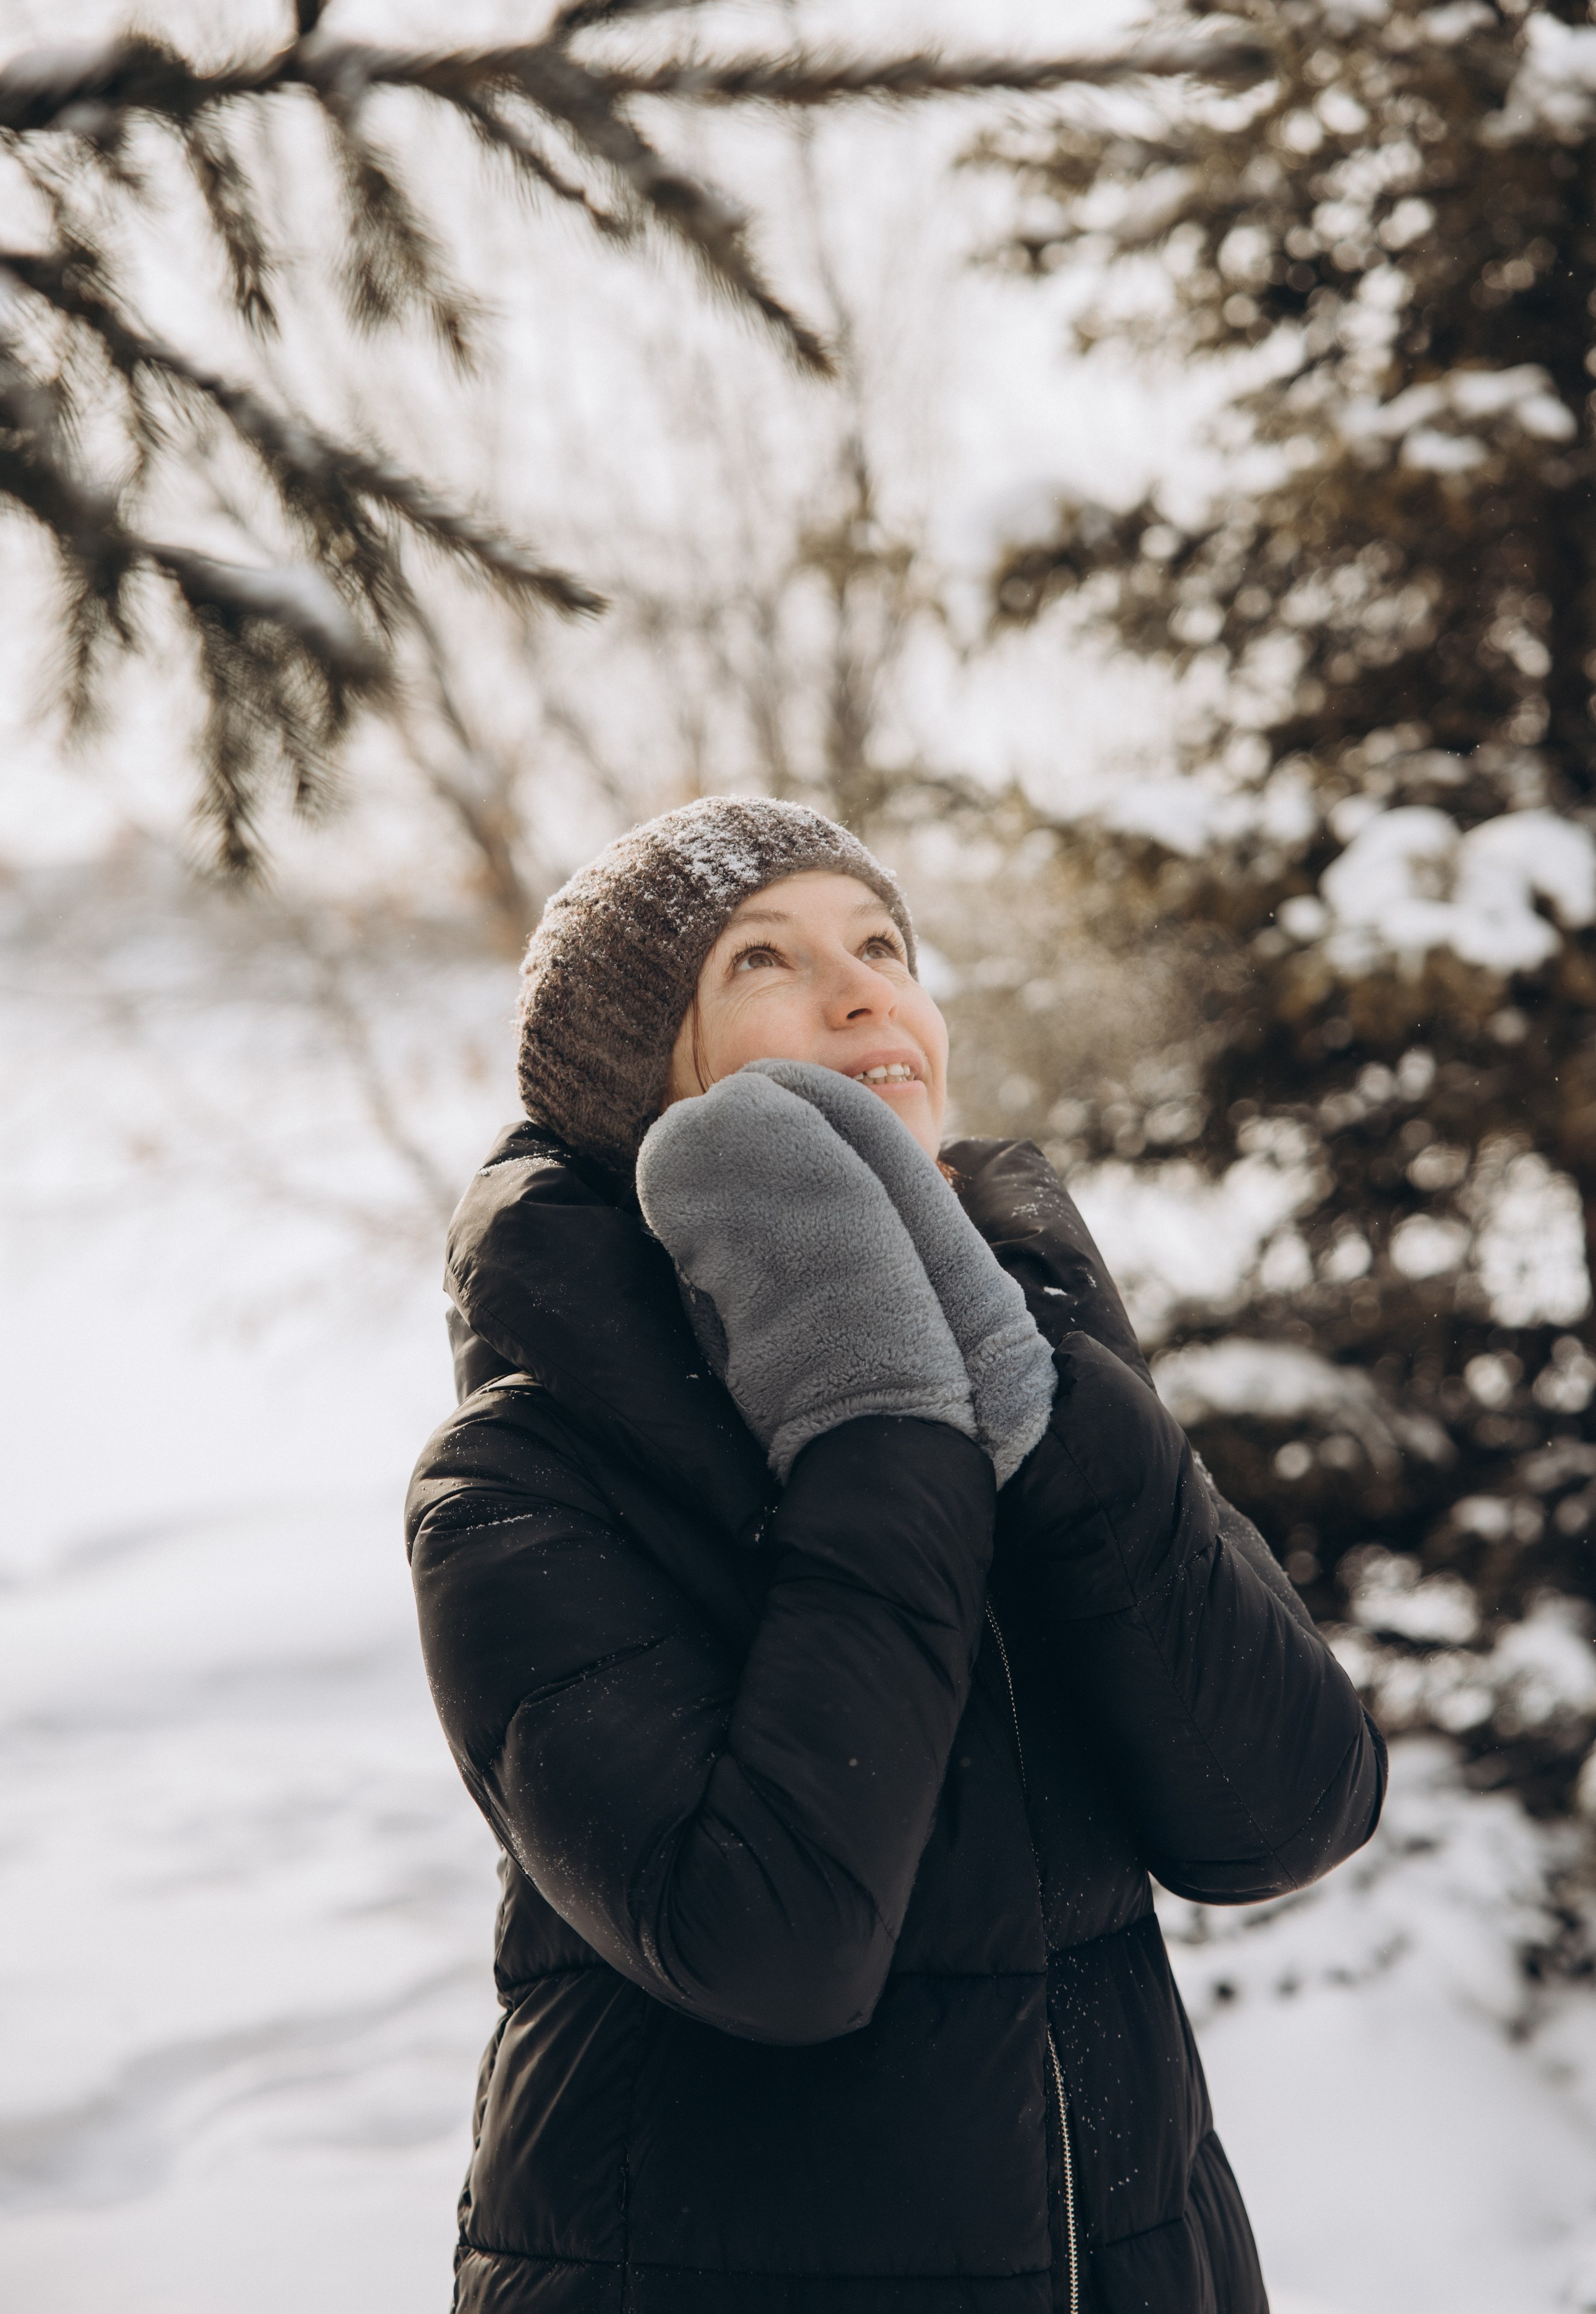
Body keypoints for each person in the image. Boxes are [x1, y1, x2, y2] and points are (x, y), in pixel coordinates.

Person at [406, 795, 1386, 2314]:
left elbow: (1284, 1811)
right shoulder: (520, 1474)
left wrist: (1043, 1409)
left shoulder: (1025, 1364)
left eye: (882, 946)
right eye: (762, 962)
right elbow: (772, 1942)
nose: (864, 990)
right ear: (633, 1080)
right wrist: (873, 1417)